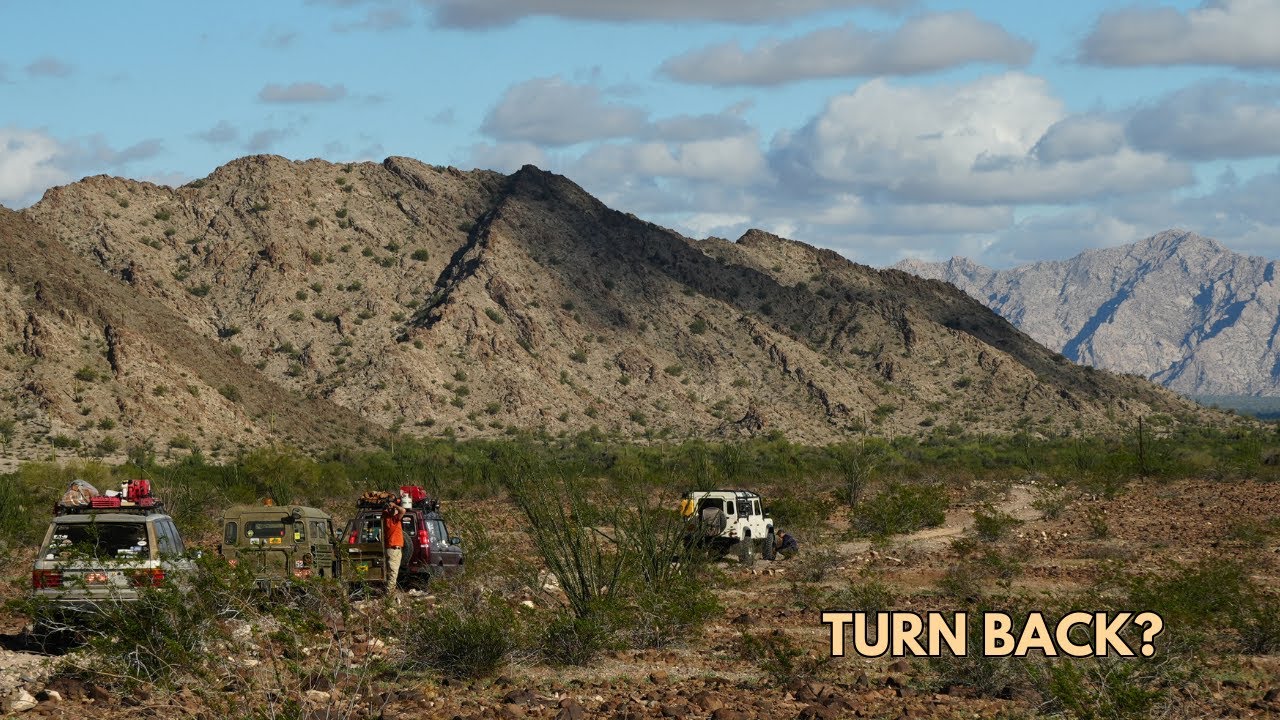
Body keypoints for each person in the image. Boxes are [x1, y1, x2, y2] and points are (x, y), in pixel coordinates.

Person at [382, 499, 405, 592]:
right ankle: (389, 594)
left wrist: (390, 506)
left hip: (389, 549)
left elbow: (385, 511)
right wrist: (394, 505)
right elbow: (403, 510)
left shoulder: (385, 518)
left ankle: (388, 591)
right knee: (393, 573)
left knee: (389, 572)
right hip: (394, 549)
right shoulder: (393, 520)